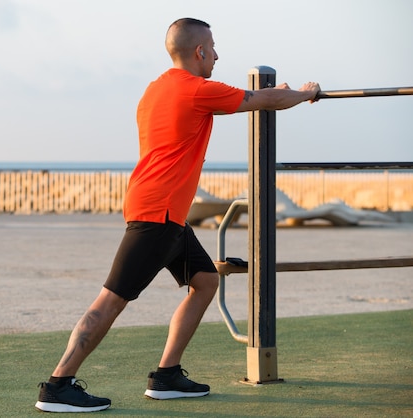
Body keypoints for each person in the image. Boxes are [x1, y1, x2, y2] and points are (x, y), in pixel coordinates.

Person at [35, 17, 320, 413]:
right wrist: (307, 92)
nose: (218, 55)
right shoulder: (197, 90)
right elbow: (264, 101)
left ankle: (167, 375)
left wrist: (277, 92)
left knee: (204, 281)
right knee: (111, 300)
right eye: (214, 47)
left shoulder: (156, 89)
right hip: (158, 214)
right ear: (199, 51)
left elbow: (258, 98)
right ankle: (58, 385)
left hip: (164, 212)